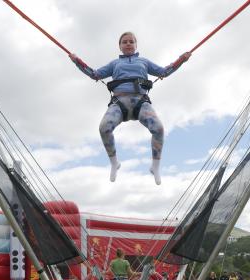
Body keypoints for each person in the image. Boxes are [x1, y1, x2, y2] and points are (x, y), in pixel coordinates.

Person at [70, 32, 191, 185]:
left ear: (135, 45)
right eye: (124, 42)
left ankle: (155, 167)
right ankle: (114, 163)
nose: (128, 44)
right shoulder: (114, 64)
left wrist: (181, 60)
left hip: (140, 102)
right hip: (119, 102)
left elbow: (164, 72)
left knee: (159, 128)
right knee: (104, 128)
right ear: (120, 46)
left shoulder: (144, 62)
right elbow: (95, 74)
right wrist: (76, 61)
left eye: (131, 42)